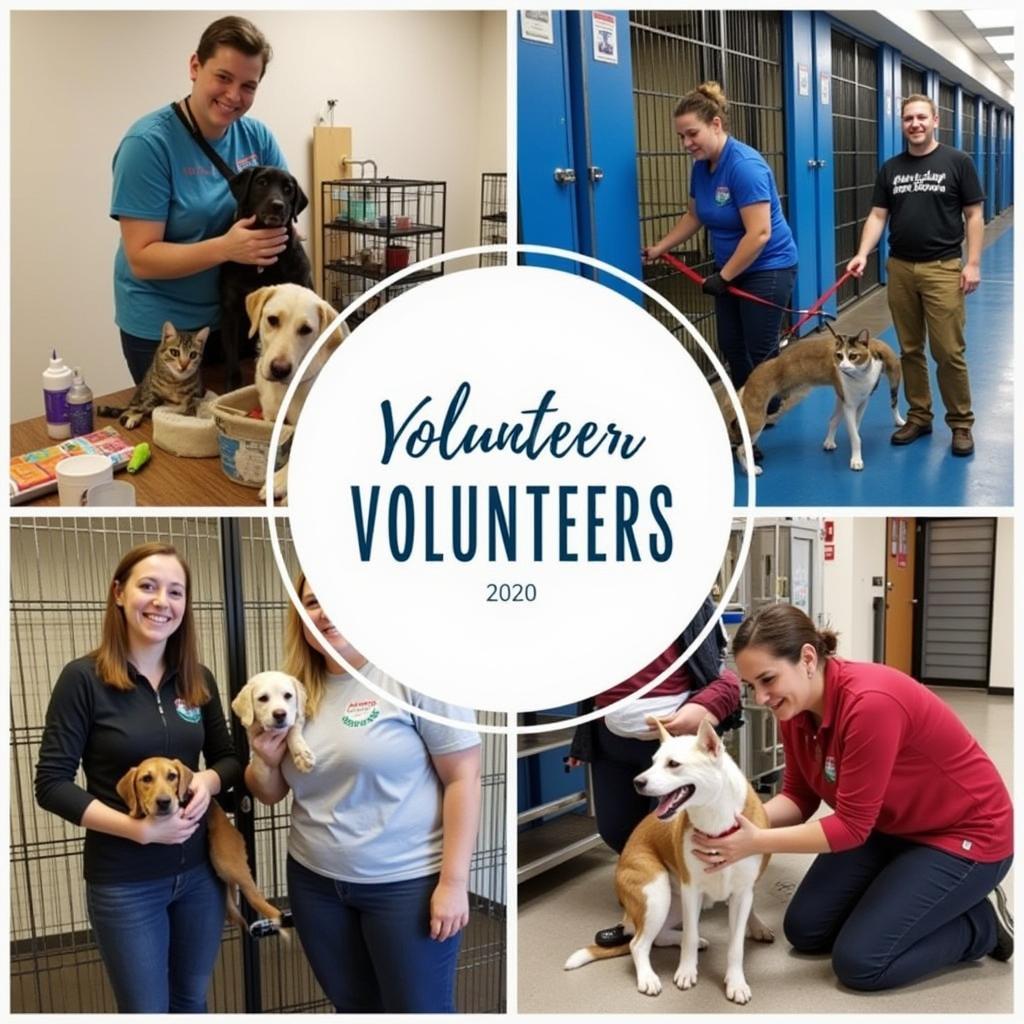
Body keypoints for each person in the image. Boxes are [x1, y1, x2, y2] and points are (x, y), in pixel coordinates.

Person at [692, 603, 1013, 991]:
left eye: (767, 680)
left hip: (965, 836)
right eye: (751, 687)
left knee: (861, 963)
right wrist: (731, 820)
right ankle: (905, 892)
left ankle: (979, 925)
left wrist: (754, 841)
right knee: (806, 930)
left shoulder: (870, 704)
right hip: (889, 825)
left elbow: (851, 827)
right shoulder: (794, 710)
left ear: (807, 658)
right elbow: (799, 795)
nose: (761, 698)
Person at [245, 573, 482, 1013]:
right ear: (300, 615)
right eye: (313, 601)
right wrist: (263, 759)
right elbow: (270, 793)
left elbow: (463, 778)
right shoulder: (292, 690)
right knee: (354, 1008)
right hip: (315, 883)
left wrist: (453, 882)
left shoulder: (414, 673)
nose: (325, 612)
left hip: (405, 885)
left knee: (418, 1011)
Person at [34, 542, 241, 1013]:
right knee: (145, 1011)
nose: (160, 602)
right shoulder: (83, 679)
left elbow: (228, 760)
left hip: (199, 876)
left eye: (175, 591)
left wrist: (207, 783)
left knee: (191, 1000)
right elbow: (51, 783)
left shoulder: (196, 678)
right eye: (147, 586)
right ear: (119, 594)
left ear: (185, 606)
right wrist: (139, 830)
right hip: (125, 882)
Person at [111, 16, 291, 383]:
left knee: (240, 420)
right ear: (195, 66)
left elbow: (288, 220)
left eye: (248, 86)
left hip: (238, 317)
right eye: (223, 77)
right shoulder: (148, 145)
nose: (234, 96)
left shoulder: (257, 138)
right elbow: (142, 258)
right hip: (167, 328)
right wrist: (228, 248)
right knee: (179, 431)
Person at [566, 595, 742, 945]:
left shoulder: (686, 604)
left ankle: (660, 913)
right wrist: (581, 742)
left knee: (670, 836)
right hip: (611, 738)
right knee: (616, 831)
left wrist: (703, 709)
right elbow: (590, 685)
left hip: (675, 740)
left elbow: (725, 680)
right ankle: (658, 898)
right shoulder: (593, 608)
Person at [643, 81, 799, 457]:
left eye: (691, 134)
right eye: (681, 136)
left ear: (716, 124)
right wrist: (661, 247)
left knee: (760, 351)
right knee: (730, 343)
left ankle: (749, 425)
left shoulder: (745, 167)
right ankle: (759, 405)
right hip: (730, 267)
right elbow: (696, 215)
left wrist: (724, 276)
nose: (686, 144)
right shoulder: (701, 168)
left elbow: (759, 233)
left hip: (768, 266)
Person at [847, 94, 985, 457]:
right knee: (909, 349)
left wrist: (972, 263)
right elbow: (878, 216)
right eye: (908, 118)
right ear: (902, 124)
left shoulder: (958, 162)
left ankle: (960, 423)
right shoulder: (891, 168)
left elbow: (973, 214)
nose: (915, 124)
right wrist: (863, 253)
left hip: (943, 268)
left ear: (935, 120)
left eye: (922, 117)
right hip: (901, 268)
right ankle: (919, 416)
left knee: (949, 351)